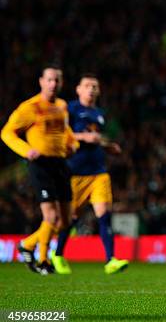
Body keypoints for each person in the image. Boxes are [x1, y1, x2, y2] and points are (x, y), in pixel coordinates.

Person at [1, 66, 78, 275]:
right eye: (49, 80)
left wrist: (73, 145)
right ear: (41, 82)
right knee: (50, 217)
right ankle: (43, 260)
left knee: (66, 220)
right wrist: (26, 150)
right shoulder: (31, 107)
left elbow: (65, 131)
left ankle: (27, 245)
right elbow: (7, 132)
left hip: (60, 164)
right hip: (41, 164)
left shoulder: (62, 106)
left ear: (61, 84)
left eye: (57, 81)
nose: (53, 84)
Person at [50, 73, 129, 275]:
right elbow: (60, 134)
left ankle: (110, 260)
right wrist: (83, 137)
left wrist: (108, 146)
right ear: (78, 89)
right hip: (75, 173)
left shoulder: (99, 114)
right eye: (87, 86)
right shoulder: (70, 109)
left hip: (98, 173)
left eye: (95, 86)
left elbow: (96, 140)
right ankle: (57, 254)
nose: (91, 89)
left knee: (104, 215)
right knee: (70, 218)